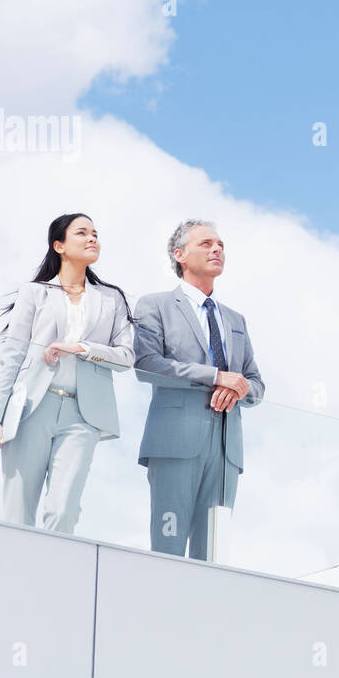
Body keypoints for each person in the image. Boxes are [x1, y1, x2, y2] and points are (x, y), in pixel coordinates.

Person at [0, 213, 136, 533]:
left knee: (64, 511)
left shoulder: (112, 298)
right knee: (18, 511)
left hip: (84, 415)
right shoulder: (35, 293)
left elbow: (126, 357)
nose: (92, 238)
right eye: (82, 233)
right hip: (30, 410)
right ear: (60, 245)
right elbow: (11, 356)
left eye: (95, 233)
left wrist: (79, 347)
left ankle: (52, 578)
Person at [133, 219, 265, 560]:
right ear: (180, 255)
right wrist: (216, 376)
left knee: (213, 556)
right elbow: (146, 364)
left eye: (220, 244)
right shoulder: (156, 305)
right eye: (206, 243)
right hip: (175, 442)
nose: (217, 249)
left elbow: (256, 383)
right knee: (168, 550)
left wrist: (238, 388)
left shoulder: (235, 320)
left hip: (225, 450)